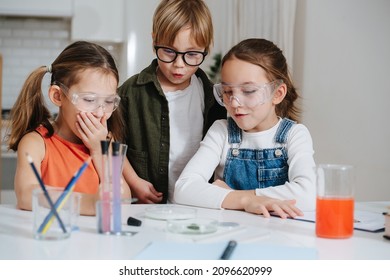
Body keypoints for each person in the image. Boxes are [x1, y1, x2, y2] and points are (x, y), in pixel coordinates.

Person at [174, 38, 316, 218]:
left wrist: (230, 195)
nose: (234, 102)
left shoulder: (295, 135)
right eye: (227, 92)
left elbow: (308, 195)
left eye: (248, 91)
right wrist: (246, 201)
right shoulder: (222, 131)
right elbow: (184, 188)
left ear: (277, 94)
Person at [118, 0, 226, 204]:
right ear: (154, 41)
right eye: (168, 51)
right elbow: (112, 144)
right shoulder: (129, 93)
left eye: (192, 54)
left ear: (206, 48)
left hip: (197, 209)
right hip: (146, 210)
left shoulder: (213, 96)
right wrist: (133, 181)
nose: (179, 65)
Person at [7, 41, 131, 215]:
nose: (100, 113)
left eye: (109, 102)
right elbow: (26, 195)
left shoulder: (105, 142)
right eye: (89, 100)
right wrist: (88, 204)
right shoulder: (36, 143)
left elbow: (123, 197)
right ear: (58, 96)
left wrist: (98, 149)